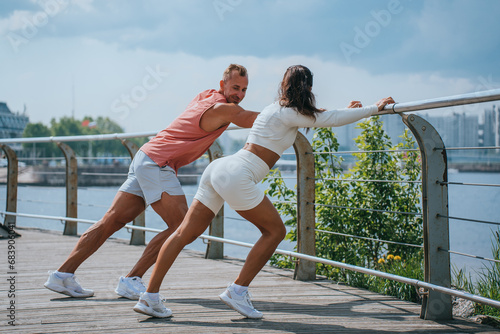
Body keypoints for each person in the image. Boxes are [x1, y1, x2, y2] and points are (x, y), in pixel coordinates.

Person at [132, 65, 395, 319]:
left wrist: (347, 110)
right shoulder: (291, 113)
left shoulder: (276, 109)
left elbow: (317, 115)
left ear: (284, 86)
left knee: (182, 233)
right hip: (239, 174)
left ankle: (149, 297)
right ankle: (238, 290)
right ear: (309, 87)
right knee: (275, 232)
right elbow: (330, 120)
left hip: (219, 168)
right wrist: (375, 108)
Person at [44, 64, 259, 299]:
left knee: (111, 221)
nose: (239, 94)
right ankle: (132, 279)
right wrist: (287, 113)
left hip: (146, 155)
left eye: (244, 90)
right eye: (235, 87)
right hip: (158, 162)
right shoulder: (222, 108)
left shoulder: (205, 95)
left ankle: (62, 275)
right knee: (182, 226)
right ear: (223, 85)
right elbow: (250, 119)